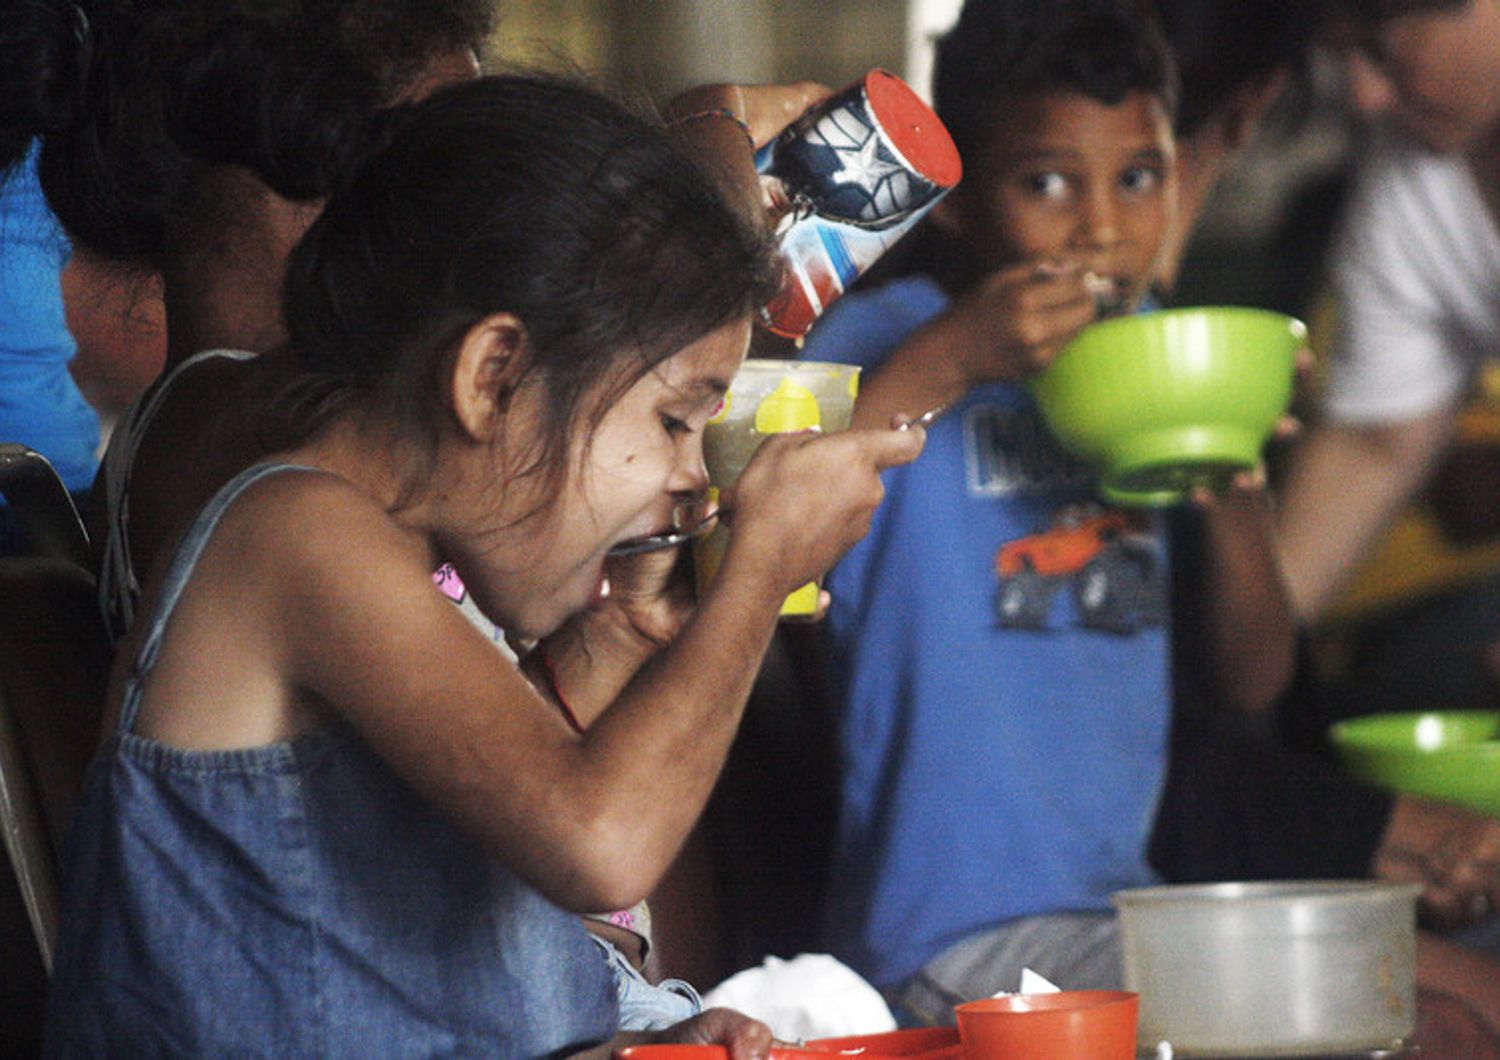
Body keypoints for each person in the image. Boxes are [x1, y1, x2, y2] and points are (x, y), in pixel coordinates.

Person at [42, 72, 926, 1055]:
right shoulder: (296, 534)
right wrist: (757, 578)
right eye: (676, 418)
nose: (692, 476)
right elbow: (596, 843)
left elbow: (476, 939)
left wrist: (637, 1023)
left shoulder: (396, 561)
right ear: (492, 377)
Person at [799, 0, 1500, 1042]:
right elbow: (776, 522)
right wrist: (956, 357)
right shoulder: (883, 347)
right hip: (951, 936)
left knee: (1461, 1003)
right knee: (1434, 1026)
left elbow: (1251, 680)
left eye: (1139, 177)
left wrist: (1236, 486)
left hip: (1131, 901)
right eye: (1047, 181)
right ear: (955, 201)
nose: (1101, 225)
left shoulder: (1156, 363)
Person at [1275, 0, 1500, 628]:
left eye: (1377, 47)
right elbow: (1377, 443)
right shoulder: (1411, 169)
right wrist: (1225, 679)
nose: (1365, 98)